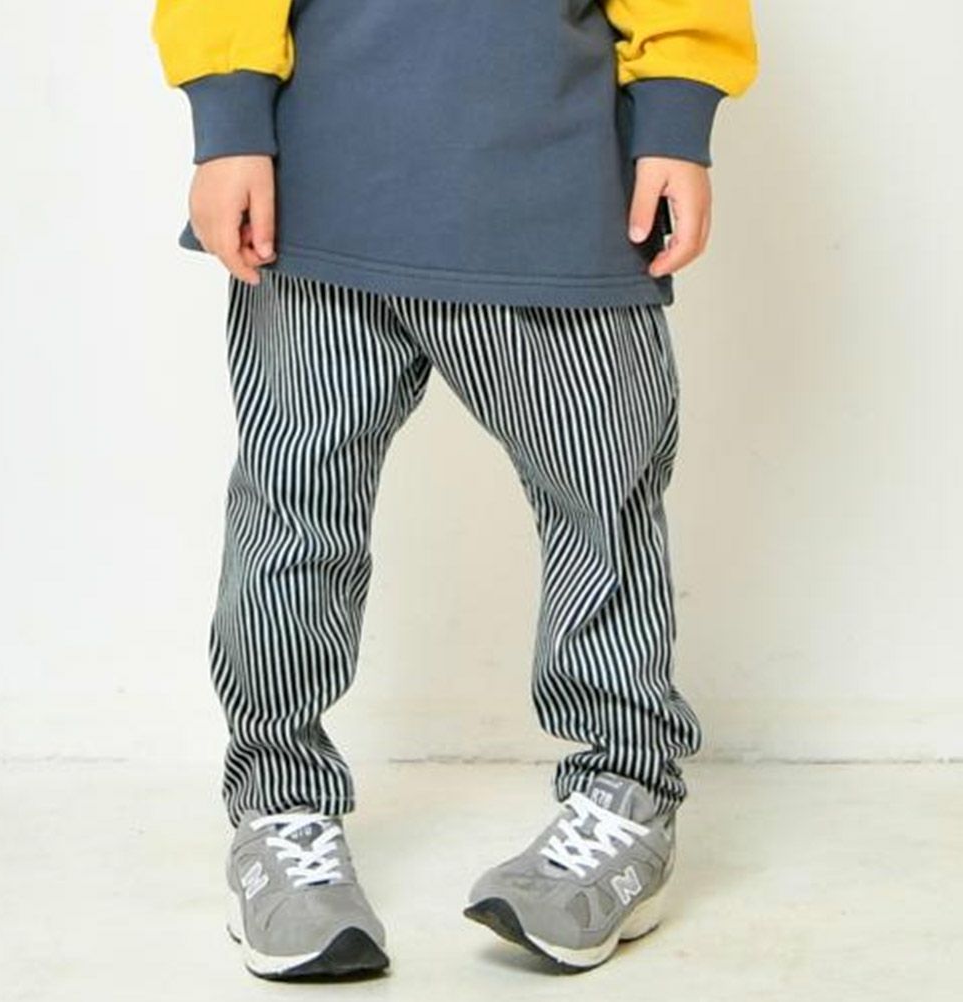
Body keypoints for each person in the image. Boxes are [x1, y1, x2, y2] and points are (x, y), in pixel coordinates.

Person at [150, 0, 758, 979]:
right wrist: (226, 123)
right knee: (294, 513)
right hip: (319, 191)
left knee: (604, 507)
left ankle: (626, 797)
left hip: (557, 191)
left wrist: (678, 118)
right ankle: (278, 809)